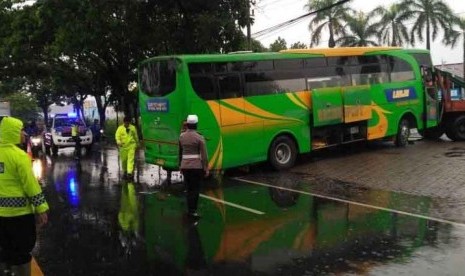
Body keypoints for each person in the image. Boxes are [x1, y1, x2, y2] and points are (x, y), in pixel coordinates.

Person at [0, 116, 49, 276]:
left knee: (3, 250)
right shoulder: (20, 156)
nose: (24, 134)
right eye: (21, 130)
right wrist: (41, 208)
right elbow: (31, 186)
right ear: (13, 132)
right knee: (21, 252)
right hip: (19, 216)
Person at [178, 114, 209, 218]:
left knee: (188, 189)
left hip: (185, 166)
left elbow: (180, 152)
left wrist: (180, 166)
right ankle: (193, 211)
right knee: (195, 190)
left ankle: (189, 210)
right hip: (196, 167)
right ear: (196, 125)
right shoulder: (199, 137)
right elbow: (204, 155)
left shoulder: (181, 137)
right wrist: (206, 168)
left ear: (187, 124)